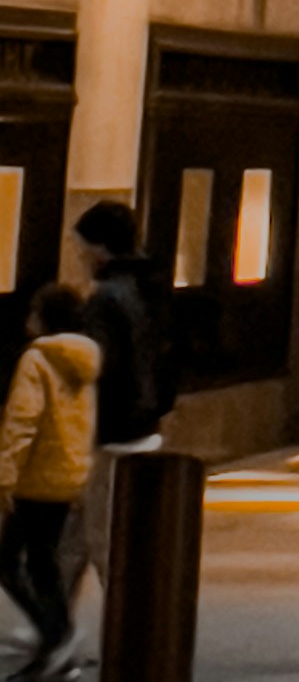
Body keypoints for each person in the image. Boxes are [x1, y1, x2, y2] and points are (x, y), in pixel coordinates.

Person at [69, 200, 174, 623]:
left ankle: (129, 630)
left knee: (102, 537)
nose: (79, 258)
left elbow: (98, 367)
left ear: (99, 248)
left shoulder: (106, 300)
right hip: (145, 423)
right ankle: (54, 625)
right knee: (76, 536)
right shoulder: (152, 286)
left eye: (81, 248)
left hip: (112, 431)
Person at [0, 283, 97, 682]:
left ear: (44, 319)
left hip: (35, 476)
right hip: (68, 471)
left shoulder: (37, 360)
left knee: (13, 562)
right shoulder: (85, 361)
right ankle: (56, 637)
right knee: (41, 560)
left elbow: (23, 420)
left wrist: (5, 474)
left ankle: (56, 635)